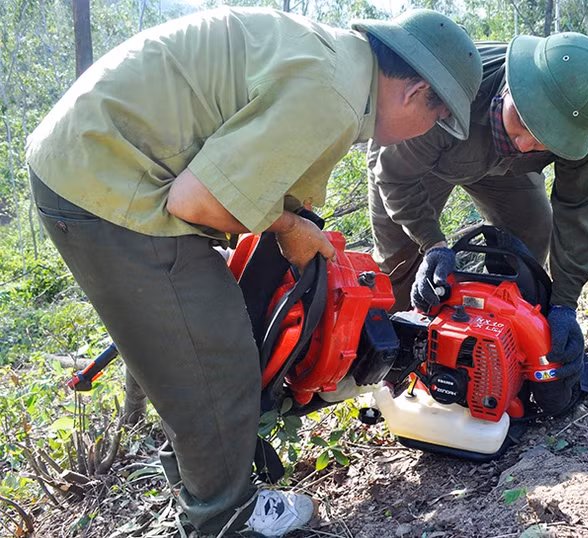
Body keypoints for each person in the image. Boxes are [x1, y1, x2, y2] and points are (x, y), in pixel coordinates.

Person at [26, 7, 482, 537]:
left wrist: (292, 224)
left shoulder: (340, 67)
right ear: (415, 92)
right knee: (214, 352)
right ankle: (226, 518)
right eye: (435, 118)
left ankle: (199, 481)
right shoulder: (332, 96)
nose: (427, 133)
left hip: (100, 153)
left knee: (205, 334)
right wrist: (288, 227)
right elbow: (197, 202)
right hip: (101, 173)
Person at [366, 32, 588, 415]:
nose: (527, 143)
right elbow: (396, 178)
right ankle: (394, 367)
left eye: (547, 140)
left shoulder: (582, 126)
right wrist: (433, 244)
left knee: (532, 232)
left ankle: (505, 351)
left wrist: (565, 304)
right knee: (399, 265)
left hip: (506, 171)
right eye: (524, 121)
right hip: (421, 155)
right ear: (511, 88)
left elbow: (577, 209)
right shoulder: (447, 86)